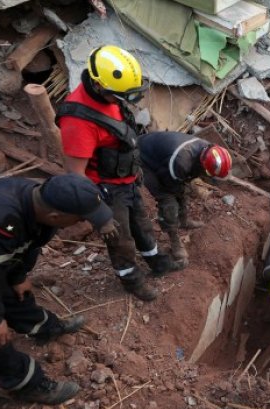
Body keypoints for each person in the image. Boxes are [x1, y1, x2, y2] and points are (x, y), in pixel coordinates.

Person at [0, 173, 112, 404]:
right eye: (80, 219)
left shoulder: (37, 198)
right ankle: (24, 383)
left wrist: (18, 274)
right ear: (56, 216)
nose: (83, 224)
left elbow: (30, 240)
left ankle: (44, 327)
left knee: (14, 293)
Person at [57, 45, 179, 302]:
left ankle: (156, 260)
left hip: (128, 181)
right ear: (99, 86)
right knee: (120, 239)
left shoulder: (109, 97)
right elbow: (75, 175)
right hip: (107, 190)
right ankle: (131, 278)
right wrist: (99, 214)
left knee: (142, 225)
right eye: (120, 96)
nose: (124, 101)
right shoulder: (79, 121)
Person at [138, 132, 232, 264]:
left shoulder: (207, 150)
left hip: (165, 155)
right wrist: (177, 192)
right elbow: (168, 185)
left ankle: (184, 220)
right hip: (143, 158)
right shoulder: (181, 162)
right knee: (168, 202)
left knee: (182, 189)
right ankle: (174, 240)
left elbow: (184, 181)